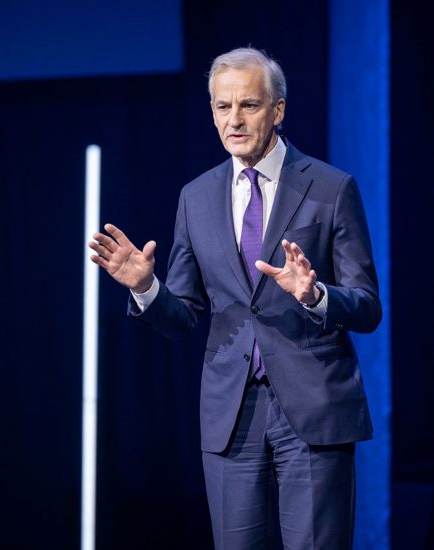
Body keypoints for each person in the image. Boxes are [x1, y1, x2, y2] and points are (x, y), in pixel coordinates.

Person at [89, 47, 381, 549]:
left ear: (278, 110)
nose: (235, 119)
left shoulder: (330, 189)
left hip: (313, 413)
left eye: (248, 105)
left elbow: (368, 306)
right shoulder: (196, 196)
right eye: (223, 107)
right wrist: (145, 288)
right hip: (232, 417)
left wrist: (315, 295)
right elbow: (183, 316)